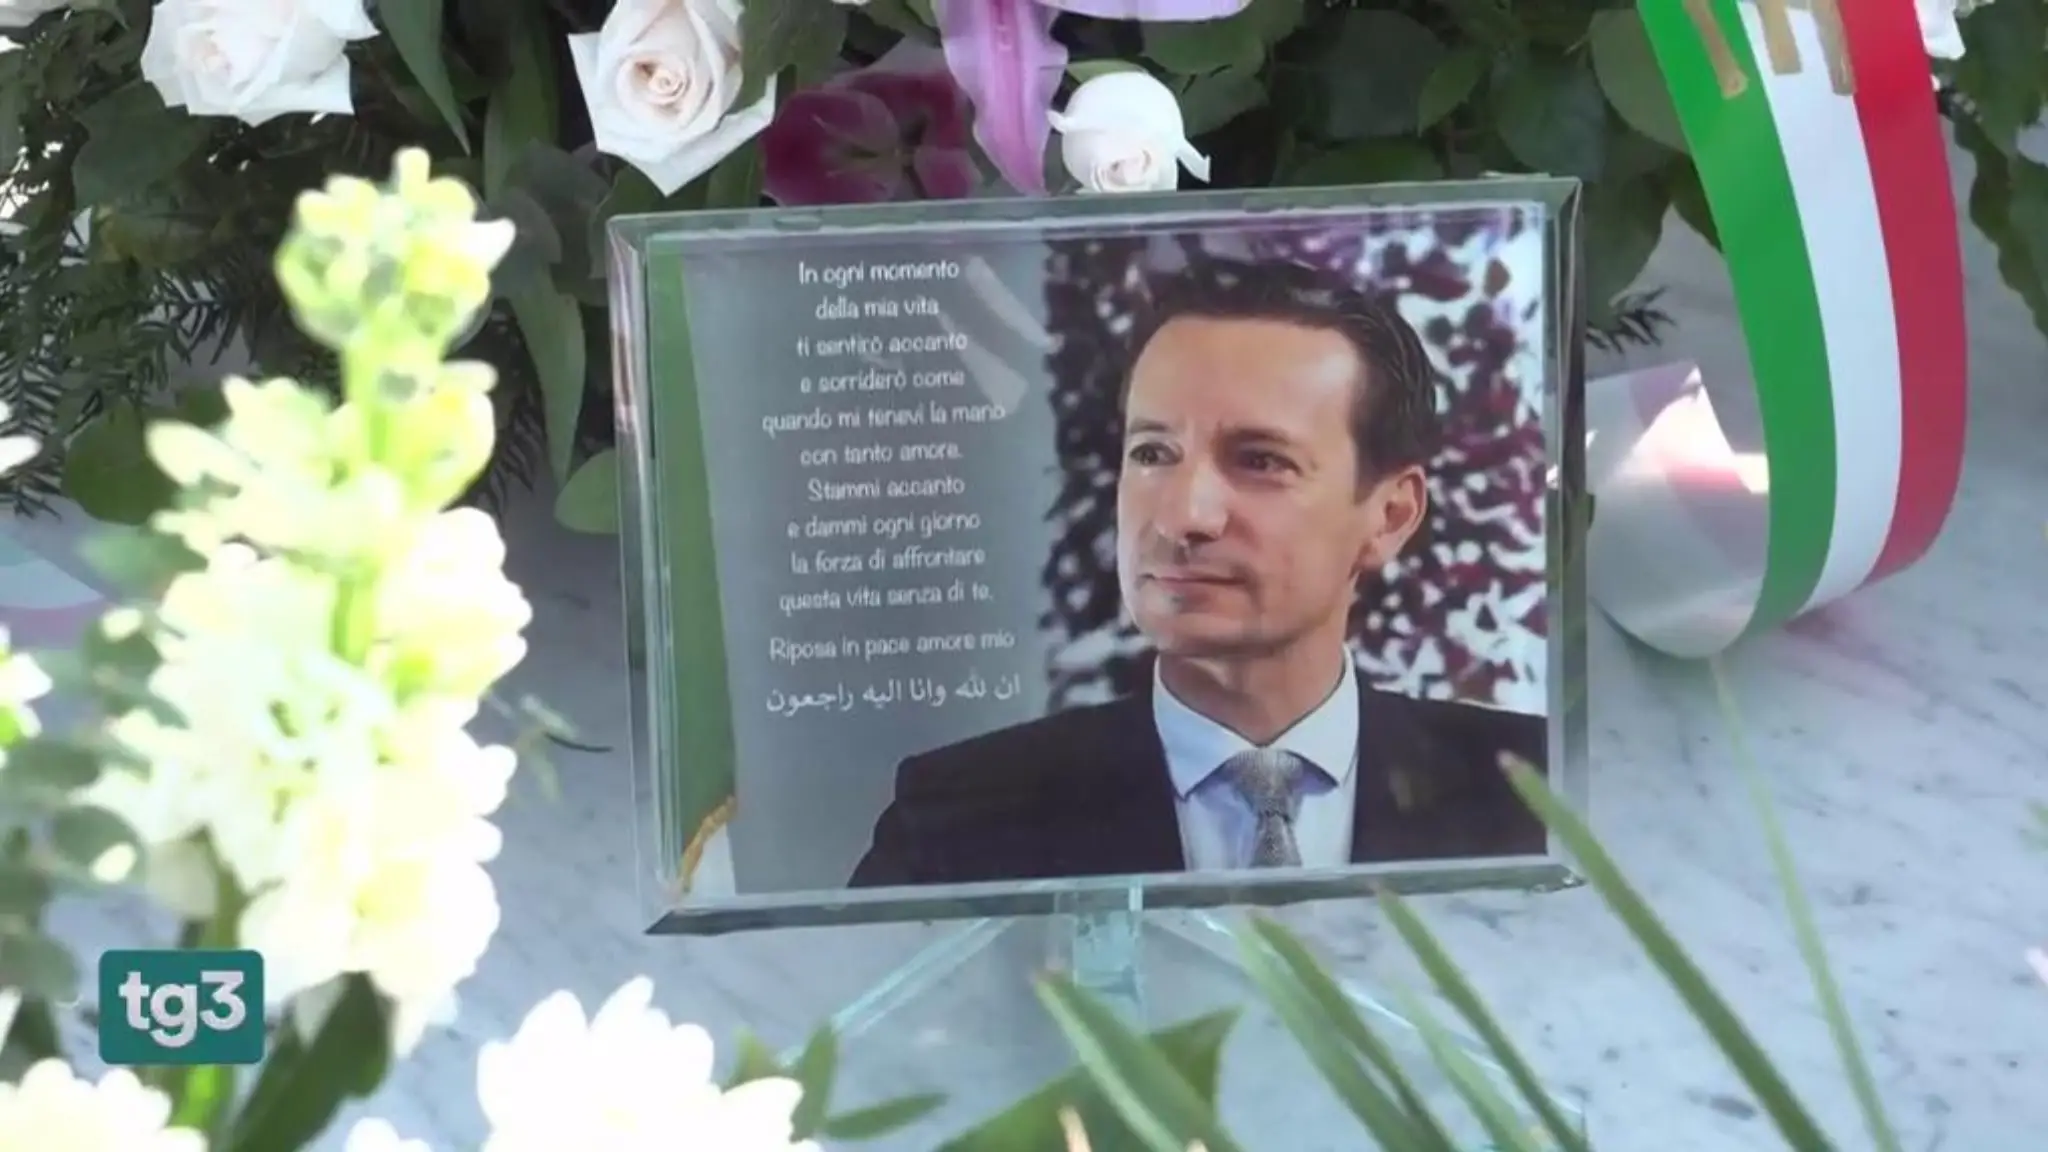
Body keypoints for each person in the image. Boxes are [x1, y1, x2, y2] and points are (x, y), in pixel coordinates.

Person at [849, 258, 1546, 889]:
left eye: (1261, 461)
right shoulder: (956, 822)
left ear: (1391, 515)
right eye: (1153, 454)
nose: (1185, 517)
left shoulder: (1541, 799)